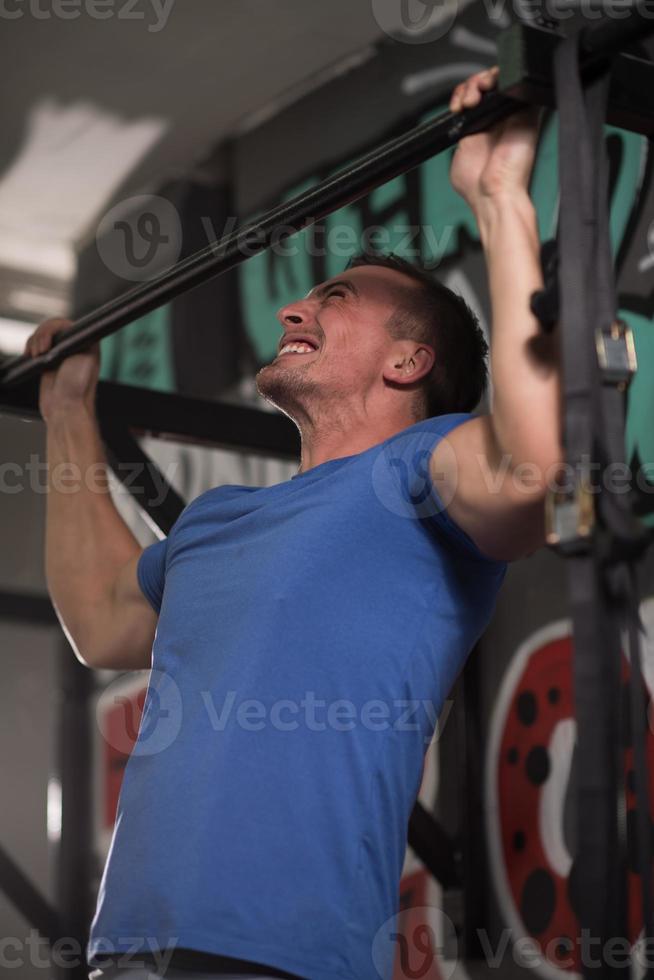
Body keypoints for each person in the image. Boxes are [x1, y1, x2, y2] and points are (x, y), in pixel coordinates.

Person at [26, 68, 560, 980]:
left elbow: (530, 469)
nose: (294, 309)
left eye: (337, 297)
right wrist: (69, 412)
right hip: (127, 952)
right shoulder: (217, 520)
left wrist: (500, 195)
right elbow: (102, 618)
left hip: (283, 957)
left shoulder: (422, 466)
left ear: (408, 359)